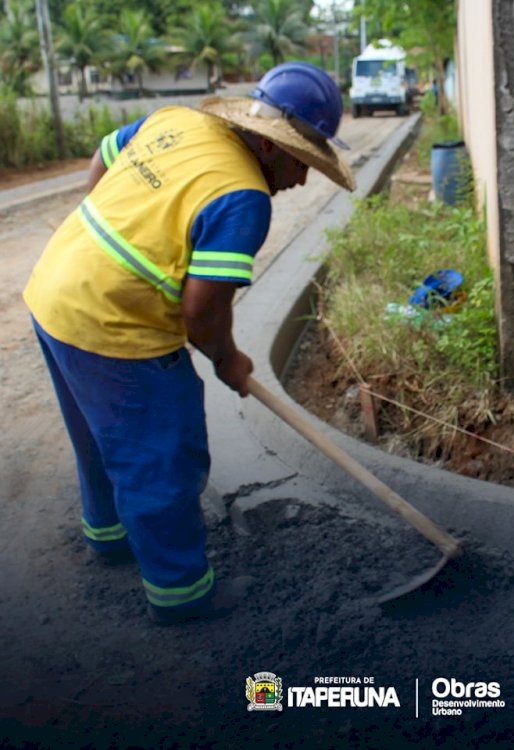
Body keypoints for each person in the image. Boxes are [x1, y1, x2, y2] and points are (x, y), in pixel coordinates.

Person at [23, 62, 356, 626]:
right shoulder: (244, 198)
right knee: (161, 454)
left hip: (55, 292)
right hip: (113, 326)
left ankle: (108, 538)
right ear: (271, 147)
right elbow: (202, 313)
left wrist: (101, 229)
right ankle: (179, 593)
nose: (302, 180)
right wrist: (228, 358)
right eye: (303, 161)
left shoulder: (173, 120)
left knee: (97, 433)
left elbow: (103, 159)